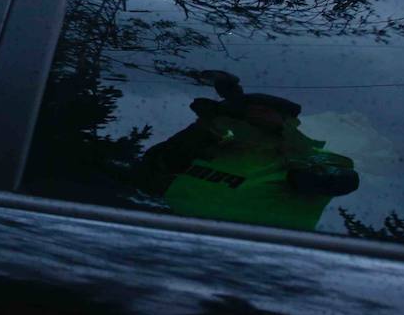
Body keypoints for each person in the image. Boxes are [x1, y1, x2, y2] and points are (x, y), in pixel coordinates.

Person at [136, 71, 359, 231]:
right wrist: (207, 125)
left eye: (262, 113)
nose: (251, 119)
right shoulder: (214, 149)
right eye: (246, 113)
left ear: (289, 122)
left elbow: (336, 180)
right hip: (157, 240)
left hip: (252, 263)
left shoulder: (318, 159)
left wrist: (282, 134)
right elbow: (150, 169)